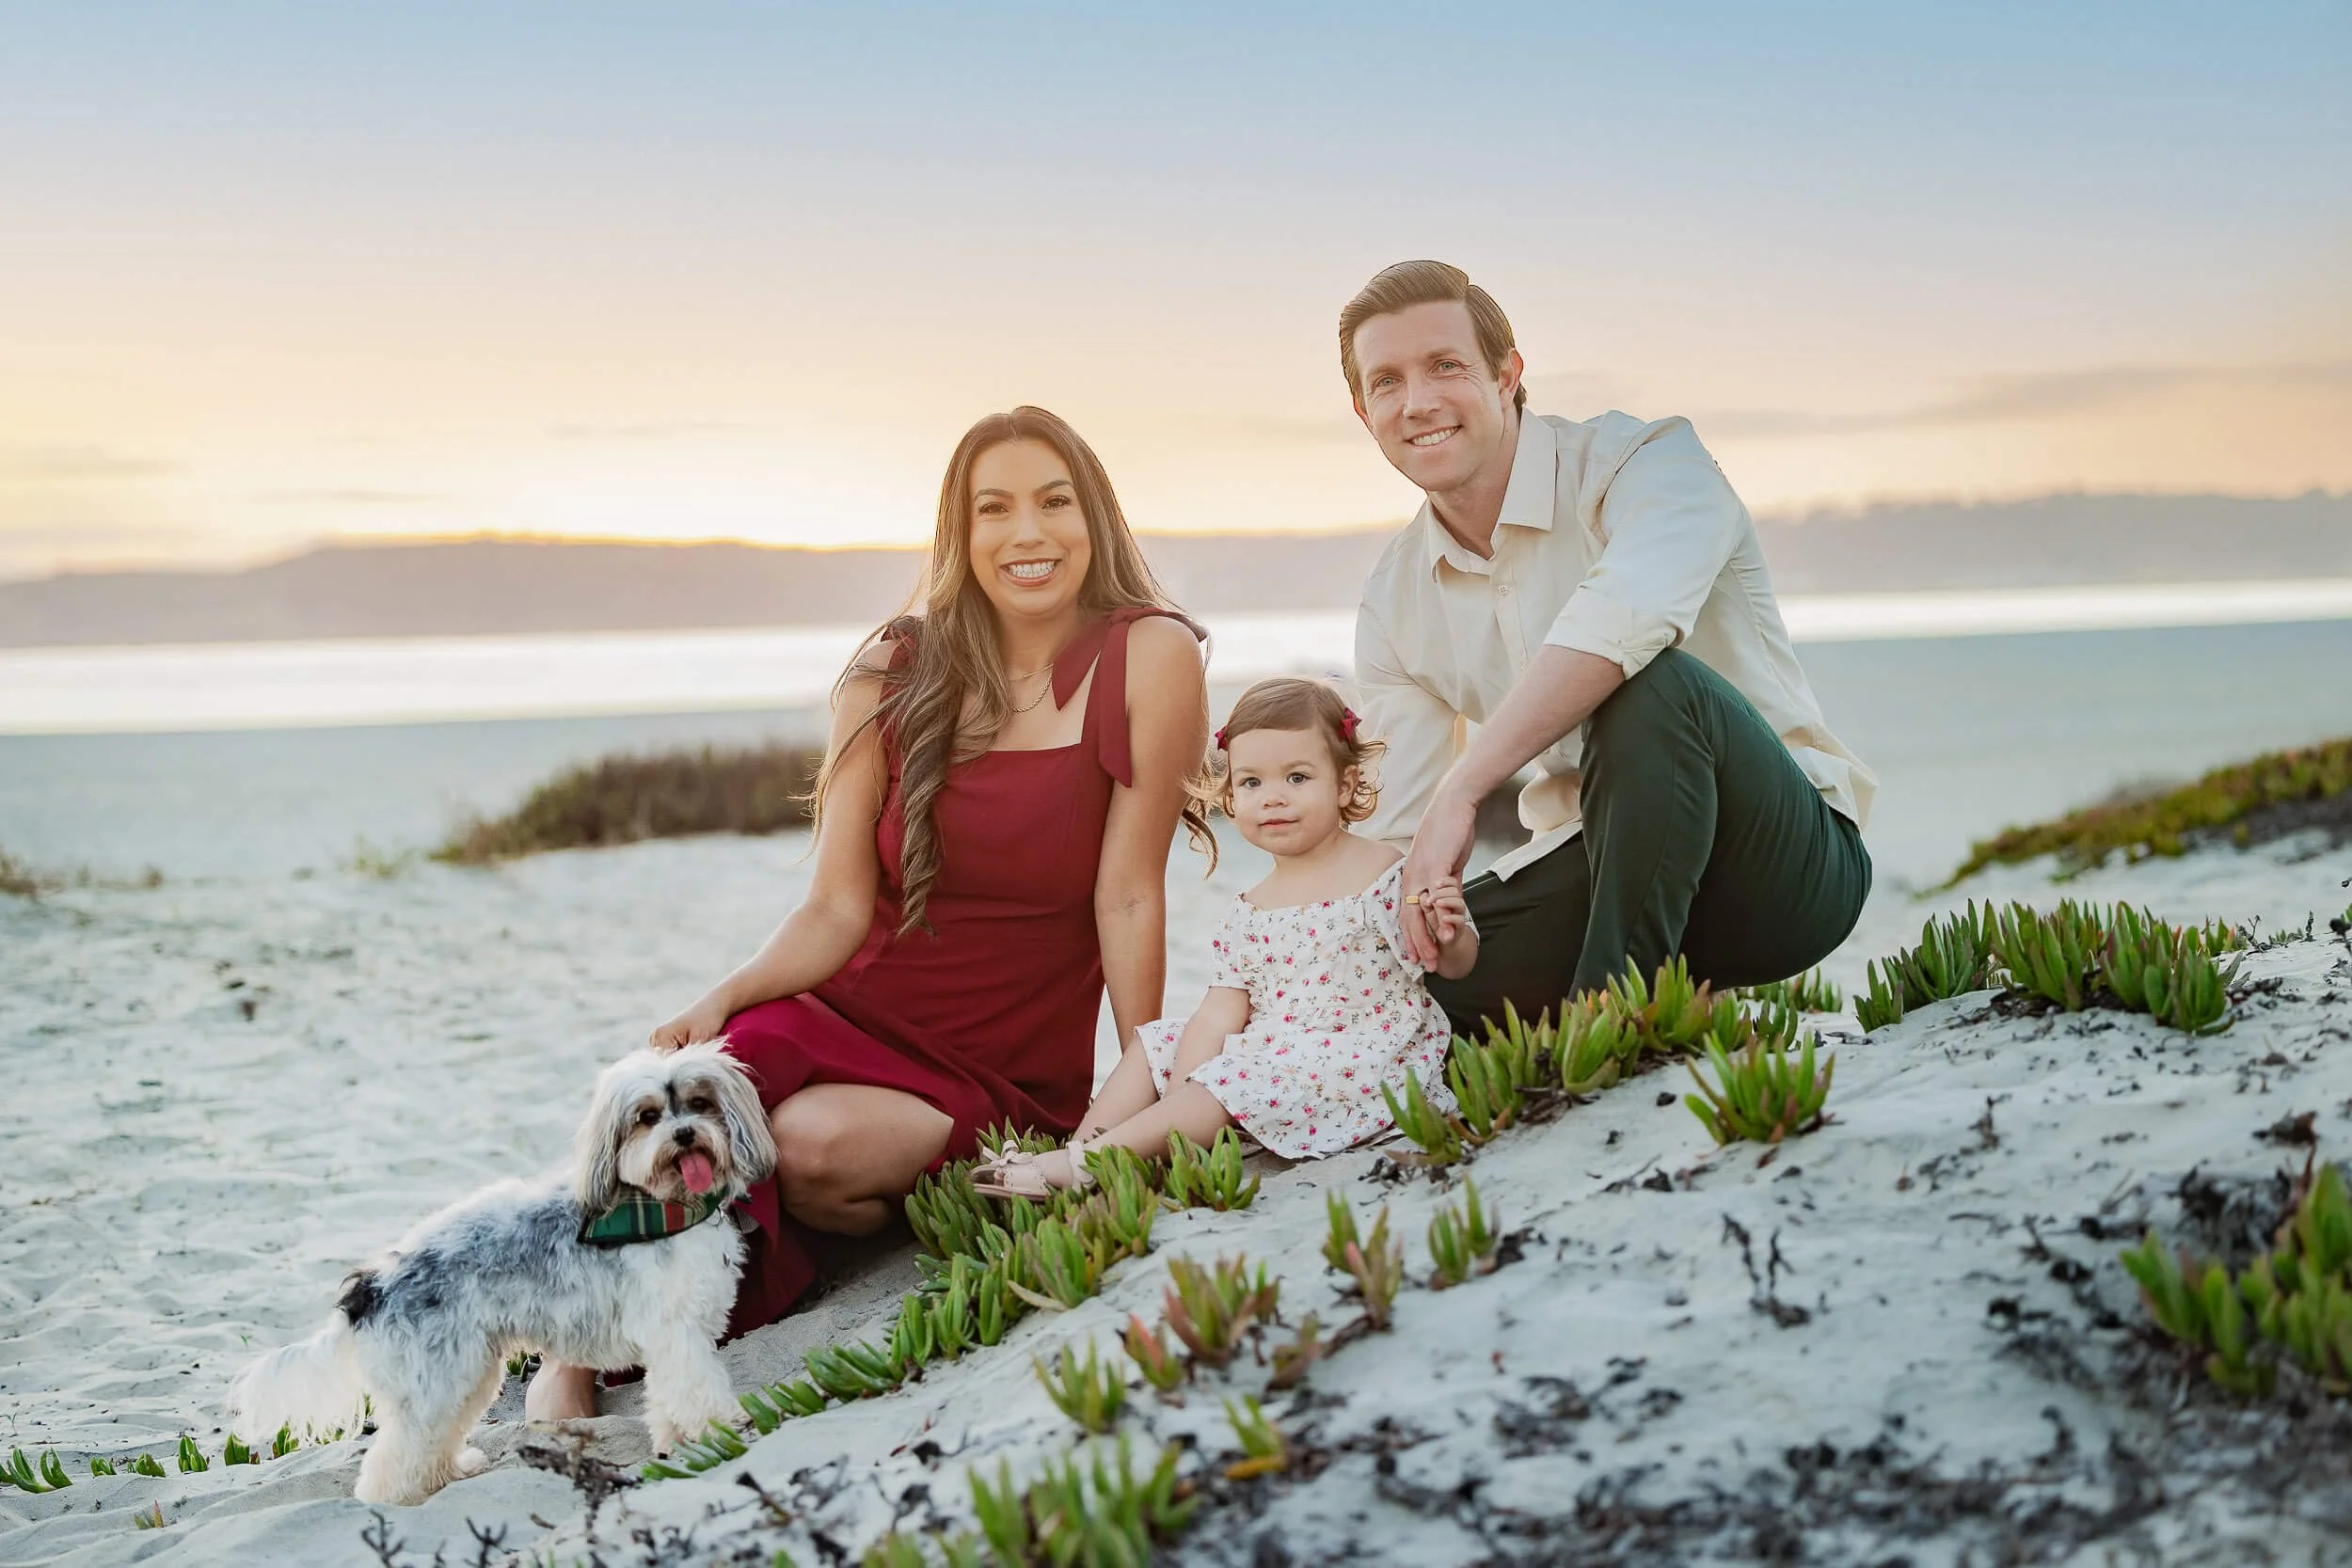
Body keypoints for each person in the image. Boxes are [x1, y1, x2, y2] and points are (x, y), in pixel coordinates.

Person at [526, 406, 1209, 1422]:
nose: (1028, 533)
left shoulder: (1150, 655)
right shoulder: (889, 668)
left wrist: (1134, 1074)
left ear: (1094, 515)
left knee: (806, 1148)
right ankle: (571, 1346)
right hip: (843, 1008)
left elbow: (1129, 889)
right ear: (960, 532)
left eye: (1054, 502)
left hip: (1000, 1060)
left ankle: (792, 1243)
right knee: (702, 1102)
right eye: (995, 508)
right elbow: (838, 905)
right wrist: (725, 993)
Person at [1340, 260, 1877, 1037]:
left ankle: (1609, 1030)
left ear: (1507, 373)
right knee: (1404, 973)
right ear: (1364, 411)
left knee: (1650, 687)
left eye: (1445, 366)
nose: (1417, 402)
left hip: (1779, 870)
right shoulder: (1394, 600)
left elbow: (1622, 622)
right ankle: (1644, 1012)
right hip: (1597, 879)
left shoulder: (1650, 462)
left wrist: (1466, 786)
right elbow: (1396, 834)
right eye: (1386, 381)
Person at [972, 677, 1476, 1197]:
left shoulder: (1387, 873)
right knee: (1156, 1042)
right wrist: (1182, 1094)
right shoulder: (1250, 910)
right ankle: (1086, 1155)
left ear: (1345, 785)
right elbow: (1218, 1014)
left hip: (1359, 1058)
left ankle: (1089, 1162)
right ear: (1232, 797)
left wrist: (1451, 930)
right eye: (1252, 783)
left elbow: (1454, 965)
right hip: (1276, 1053)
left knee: (1230, 1078)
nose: (1273, 798)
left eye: (1297, 778)